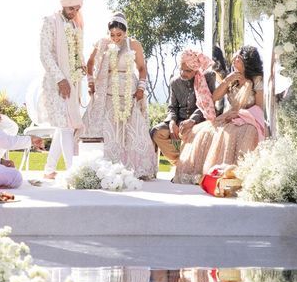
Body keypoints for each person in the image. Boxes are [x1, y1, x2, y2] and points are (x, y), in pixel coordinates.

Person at [173, 45, 265, 183]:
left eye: (237, 59)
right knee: (200, 132)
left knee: (228, 135)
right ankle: (199, 175)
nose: (234, 61)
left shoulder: (256, 80)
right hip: (228, 117)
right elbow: (214, 98)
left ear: (246, 61)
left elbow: (259, 107)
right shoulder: (232, 79)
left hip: (248, 119)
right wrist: (227, 80)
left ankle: (230, 177)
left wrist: (239, 114)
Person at [82, 13, 156, 179]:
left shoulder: (134, 45)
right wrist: (90, 82)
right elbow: (90, 63)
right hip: (108, 92)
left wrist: (141, 88)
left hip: (130, 92)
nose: (115, 38)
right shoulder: (102, 44)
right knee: (109, 130)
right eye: (112, 34)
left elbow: (142, 68)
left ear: (125, 32)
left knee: (133, 131)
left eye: (119, 35)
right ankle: (107, 168)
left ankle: (137, 168)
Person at [37, 0, 85, 179]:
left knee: (63, 126)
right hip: (56, 82)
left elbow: (77, 51)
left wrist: (80, 66)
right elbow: (45, 54)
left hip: (72, 81)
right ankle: (73, 172)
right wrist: (60, 79)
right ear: (63, 6)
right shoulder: (50, 22)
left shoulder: (75, 23)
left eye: (77, 9)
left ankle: (49, 169)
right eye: (71, 8)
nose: (74, 12)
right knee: (65, 125)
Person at [151, 50, 217, 166]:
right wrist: (172, 122)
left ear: (196, 69)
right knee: (157, 132)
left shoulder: (207, 77)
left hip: (199, 121)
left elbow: (207, 103)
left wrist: (192, 120)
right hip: (179, 121)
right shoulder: (175, 82)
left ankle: (190, 166)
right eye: (181, 69)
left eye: (188, 71)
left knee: (198, 132)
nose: (183, 73)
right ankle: (181, 164)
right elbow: (172, 107)